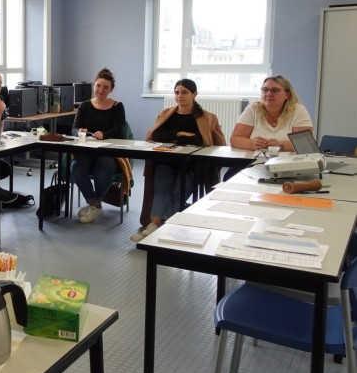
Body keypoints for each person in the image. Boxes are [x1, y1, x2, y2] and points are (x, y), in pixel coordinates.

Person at [131, 79, 226, 242]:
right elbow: (156, 135)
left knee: (178, 191)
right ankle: (157, 225)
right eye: (176, 92)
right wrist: (180, 134)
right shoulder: (166, 114)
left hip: (192, 165)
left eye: (184, 92)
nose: (179, 96)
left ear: (194, 94)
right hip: (166, 161)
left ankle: (157, 225)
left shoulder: (208, 117)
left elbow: (205, 142)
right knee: (162, 187)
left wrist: (175, 137)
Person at [71, 67, 126, 224]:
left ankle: (95, 205)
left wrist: (104, 134)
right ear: (94, 86)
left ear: (111, 90)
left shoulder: (117, 106)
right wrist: (79, 132)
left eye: (106, 87)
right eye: (98, 86)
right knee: (76, 168)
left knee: (103, 168)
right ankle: (95, 204)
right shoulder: (84, 106)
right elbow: (74, 128)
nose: (101, 90)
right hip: (87, 150)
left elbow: (119, 129)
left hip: (109, 151)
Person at [230, 74, 313, 153]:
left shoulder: (298, 110)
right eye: (265, 90)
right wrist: (251, 144)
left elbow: (306, 143)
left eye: (275, 90)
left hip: (287, 161)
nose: (269, 94)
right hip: (254, 159)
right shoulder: (253, 108)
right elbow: (235, 139)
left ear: (287, 95)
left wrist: (281, 145)